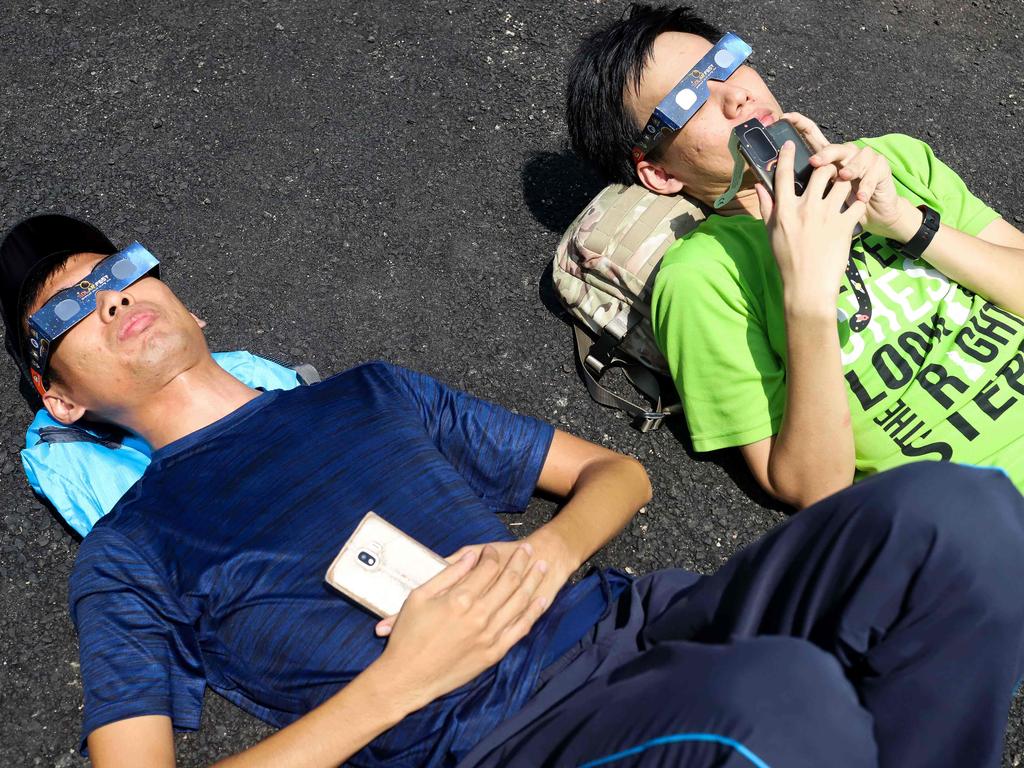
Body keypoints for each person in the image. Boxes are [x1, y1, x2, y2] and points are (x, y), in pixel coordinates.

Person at [4, 213, 1024, 768]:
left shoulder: (368, 394)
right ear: (57, 397)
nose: (116, 301)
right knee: (787, 698)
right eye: (72, 312)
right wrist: (401, 682)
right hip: (500, 738)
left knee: (958, 516)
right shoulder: (127, 556)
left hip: (634, 621)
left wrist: (545, 553)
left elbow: (613, 474)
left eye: (120, 269)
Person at [565, 4, 1024, 508]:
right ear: (659, 173)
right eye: (690, 98)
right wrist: (807, 297)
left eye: (723, 64)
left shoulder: (893, 161)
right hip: (986, 520)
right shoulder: (701, 279)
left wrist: (907, 224)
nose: (737, 96)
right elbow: (812, 487)